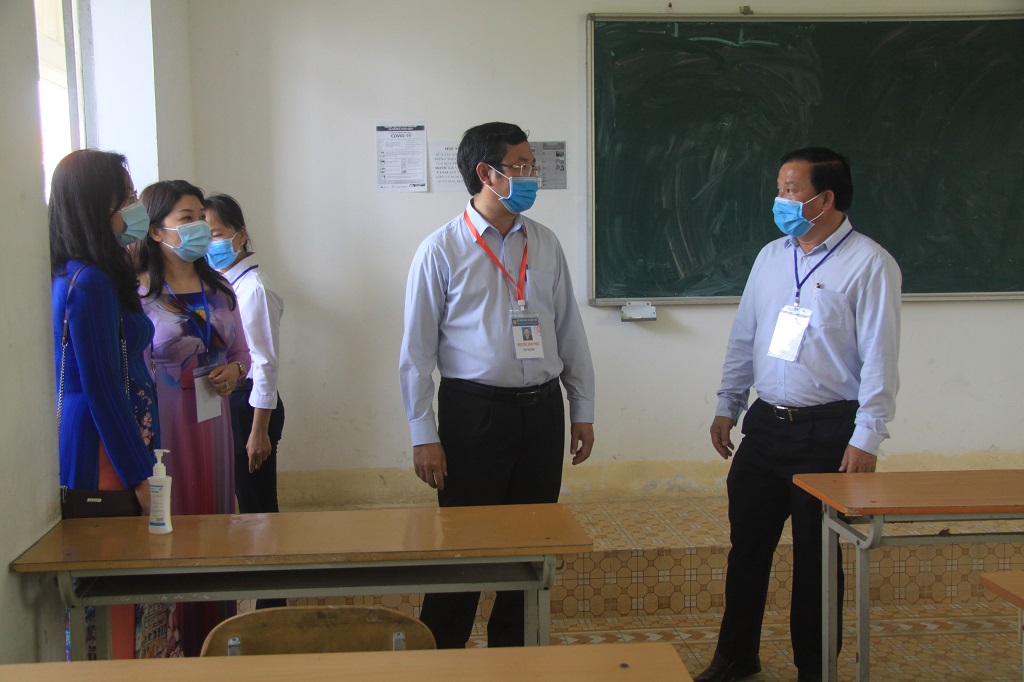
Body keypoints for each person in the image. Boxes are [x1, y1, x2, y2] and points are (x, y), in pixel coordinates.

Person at [697, 148, 901, 682]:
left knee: (816, 561)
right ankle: (736, 656)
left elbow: (880, 361)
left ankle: (815, 669)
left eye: (790, 190)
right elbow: (745, 337)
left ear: (825, 198)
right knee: (747, 551)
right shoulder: (770, 256)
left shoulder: (870, 264)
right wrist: (728, 403)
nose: (780, 200)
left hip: (828, 432)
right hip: (765, 426)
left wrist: (867, 439)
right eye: (780, 188)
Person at [399, 121, 596, 649]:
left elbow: (568, 329)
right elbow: (415, 353)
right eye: (524, 166)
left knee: (531, 546)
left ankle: (517, 657)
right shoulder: (440, 250)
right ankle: (441, 654)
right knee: (464, 550)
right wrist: (424, 433)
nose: (533, 176)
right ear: (487, 174)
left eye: (534, 166)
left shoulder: (545, 243)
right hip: (473, 415)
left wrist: (582, 407)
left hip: (542, 411)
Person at [49, 149, 161, 660]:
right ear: (99, 206)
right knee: (114, 577)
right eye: (128, 198)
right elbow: (101, 389)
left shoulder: (71, 273)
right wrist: (140, 475)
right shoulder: (90, 282)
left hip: (96, 437)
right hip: (106, 449)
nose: (136, 208)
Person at [137, 180, 251, 656]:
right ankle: (171, 652)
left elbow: (243, 352)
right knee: (173, 534)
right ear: (158, 231)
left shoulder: (220, 287)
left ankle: (215, 644)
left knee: (217, 530)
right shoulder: (137, 293)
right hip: (165, 432)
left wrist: (235, 369)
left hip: (215, 425)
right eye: (187, 218)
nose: (201, 226)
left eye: (201, 216)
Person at [204, 194, 287, 610]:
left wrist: (259, 431)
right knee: (241, 507)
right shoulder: (221, 284)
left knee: (258, 511)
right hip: (232, 405)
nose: (210, 243)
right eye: (204, 234)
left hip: (252, 409)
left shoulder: (252, 288)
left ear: (240, 235)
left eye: (217, 233)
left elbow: (265, 364)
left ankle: (273, 608)